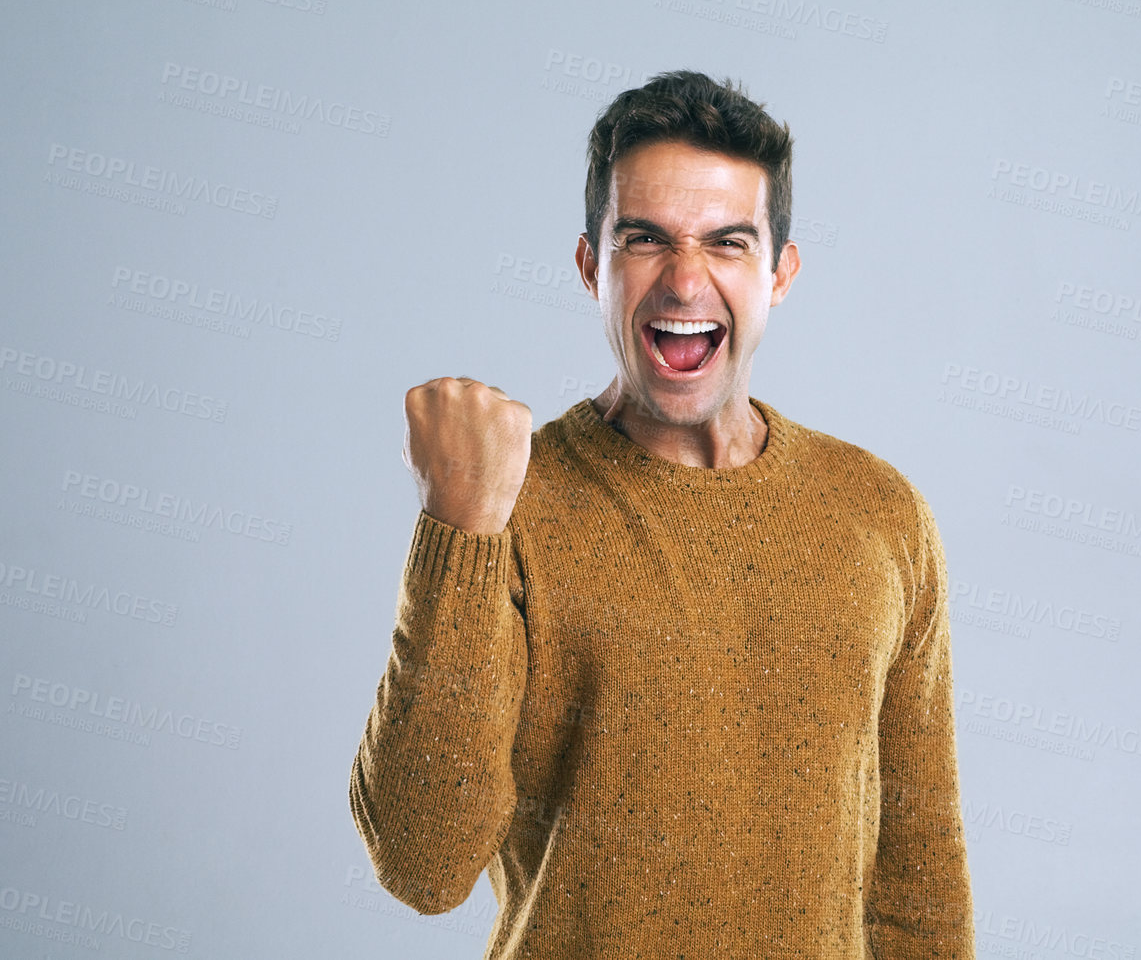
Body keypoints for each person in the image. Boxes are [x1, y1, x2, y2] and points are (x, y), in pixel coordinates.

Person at [350, 70, 975, 958]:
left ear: (779, 274)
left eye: (726, 242)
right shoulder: (505, 507)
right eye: (644, 239)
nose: (685, 281)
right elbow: (422, 862)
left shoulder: (879, 514)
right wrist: (457, 526)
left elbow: (920, 883)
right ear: (590, 266)